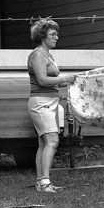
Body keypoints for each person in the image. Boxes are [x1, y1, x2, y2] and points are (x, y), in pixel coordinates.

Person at [27, 17, 70, 193]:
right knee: (52, 141)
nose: (56, 37)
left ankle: (41, 181)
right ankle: (45, 182)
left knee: (44, 143)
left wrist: (68, 82)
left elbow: (52, 81)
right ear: (42, 36)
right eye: (53, 34)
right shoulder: (37, 54)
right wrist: (63, 79)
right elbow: (43, 80)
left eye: (56, 34)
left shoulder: (47, 54)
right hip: (41, 102)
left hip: (51, 101)